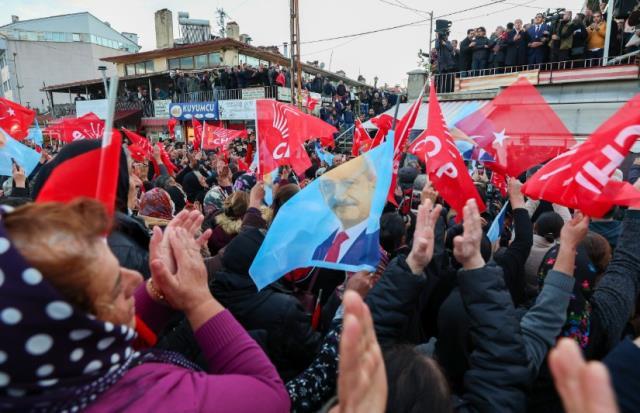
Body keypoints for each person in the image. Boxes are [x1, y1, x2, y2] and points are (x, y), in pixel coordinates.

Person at [0, 200, 290, 412]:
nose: (136, 278)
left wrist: (158, 289)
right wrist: (198, 299)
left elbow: (101, 341)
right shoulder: (145, 401)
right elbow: (269, 394)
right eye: (114, 286)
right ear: (71, 326)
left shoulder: (35, 377)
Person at [313, 155, 379, 265]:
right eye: (329, 187)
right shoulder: (320, 239)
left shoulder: (372, 250)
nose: (339, 196)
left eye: (349, 184)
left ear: (371, 186)